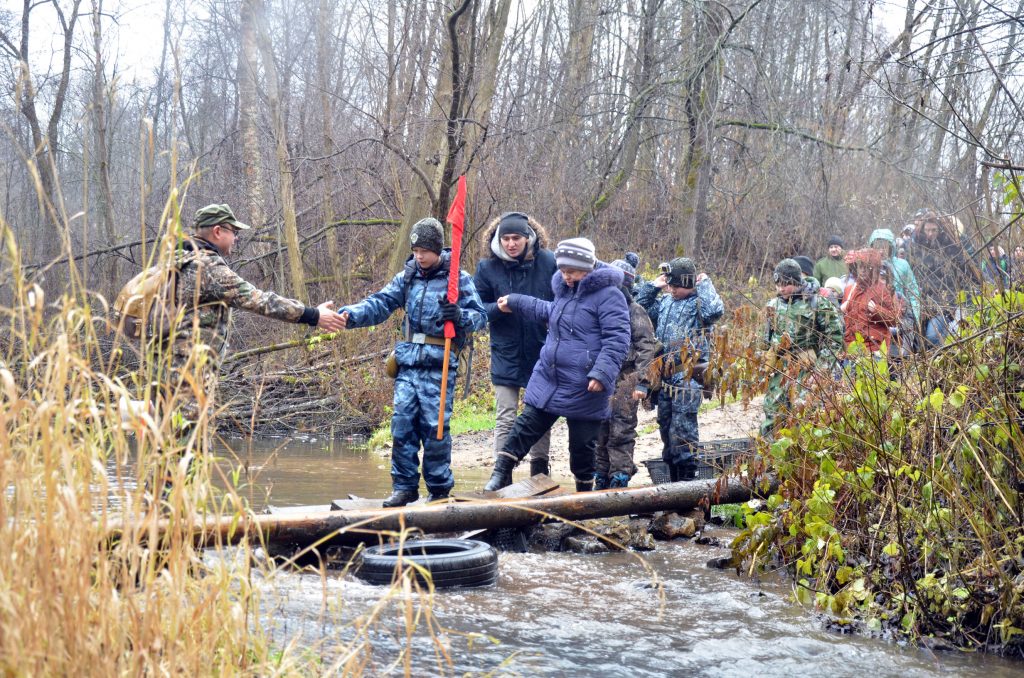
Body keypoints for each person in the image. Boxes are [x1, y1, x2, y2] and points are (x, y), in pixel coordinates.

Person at [339, 217, 486, 507]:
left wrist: (459, 317)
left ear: (437, 249)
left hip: (439, 364)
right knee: (402, 425)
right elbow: (380, 303)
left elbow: (480, 317)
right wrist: (350, 315)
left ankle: (439, 489)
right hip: (408, 363)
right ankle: (404, 487)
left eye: (424, 251)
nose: (419, 256)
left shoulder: (458, 278)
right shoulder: (407, 277)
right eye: (415, 250)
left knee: (435, 429)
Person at [166, 204, 346, 438]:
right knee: (192, 453)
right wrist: (313, 315)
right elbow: (260, 300)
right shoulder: (206, 267)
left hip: (168, 373)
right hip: (191, 379)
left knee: (168, 454)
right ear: (218, 231)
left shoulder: (176, 261)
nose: (237, 238)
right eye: (234, 231)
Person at [482, 238, 630, 493]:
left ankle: (584, 495)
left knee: (582, 448)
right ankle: (499, 474)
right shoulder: (565, 289)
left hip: (586, 384)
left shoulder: (610, 296)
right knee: (523, 427)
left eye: (571, 272)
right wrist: (516, 301)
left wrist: (602, 373)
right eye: (562, 271)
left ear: (588, 267)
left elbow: (618, 339)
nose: (566, 276)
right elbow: (549, 312)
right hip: (550, 377)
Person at [473, 211, 558, 475]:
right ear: (498, 239)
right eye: (506, 238)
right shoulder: (487, 268)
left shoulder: (549, 262)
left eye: (517, 238)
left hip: (542, 348)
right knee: (506, 415)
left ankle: (539, 470)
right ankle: (502, 471)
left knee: (540, 412)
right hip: (505, 351)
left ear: (528, 238)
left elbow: (563, 302)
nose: (511, 244)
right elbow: (475, 311)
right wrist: (498, 310)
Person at [635, 257, 724, 481]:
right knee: (665, 429)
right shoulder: (666, 302)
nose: (671, 289)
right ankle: (673, 483)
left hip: (688, 377)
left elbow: (714, 312)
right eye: (669, 285)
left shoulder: (699, 305)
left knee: (683, 432)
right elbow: (641, 307)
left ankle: (687, 483)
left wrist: (704, 284)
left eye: (675, 286)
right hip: (665, 377)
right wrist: (654, 286)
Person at [594, 259, 660, 489]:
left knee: (621, 430)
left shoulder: (635, 311)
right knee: (599, 429)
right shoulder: (600, 308)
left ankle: (620, 476)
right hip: (603, 378)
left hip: (627, 379)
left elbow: (646, 348)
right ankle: (601, 475)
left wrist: (642, 383)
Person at [761, 258, 844, 439]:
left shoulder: (817, 303)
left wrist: (822, 369)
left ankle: (801, 460)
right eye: (777, 285)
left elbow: (835, 338)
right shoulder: (772, 306)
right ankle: (770, 459)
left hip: (807, 371)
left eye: (785, 284)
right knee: (772, 416)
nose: (780, 289)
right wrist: (765, 361)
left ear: (797, 282)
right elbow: (765, 340)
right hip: (779, 371)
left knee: (804, 415)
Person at [910, 211, 979, 347]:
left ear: (939, 229)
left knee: (961, 334)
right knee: (932, 336)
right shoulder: (918, 247)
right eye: (928, 230)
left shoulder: (951, 244)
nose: (930, 233)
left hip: (956, 299)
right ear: (923, 229)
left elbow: (966, 270)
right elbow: (916, 274)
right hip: (933, 303)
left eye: (934, 230)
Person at [841, 248, 900, 355]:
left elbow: (894, 319)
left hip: (874, 350)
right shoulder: (849, 290)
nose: (863, 270)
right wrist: (840, 311)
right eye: (860, 266)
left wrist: (876, 310)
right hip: (852, 349)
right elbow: (844, 324)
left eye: (867, 267)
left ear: (873, 269)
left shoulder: (882, 290)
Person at [869, 227, 920, 322]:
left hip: (900, 313)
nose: (881, 251)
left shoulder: (902, 265)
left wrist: (915, 315)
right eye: (877, 247)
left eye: (884, 247)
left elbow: (913, 291)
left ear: (891, 247)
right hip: (874, 315)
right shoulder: (867, 266)